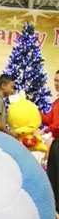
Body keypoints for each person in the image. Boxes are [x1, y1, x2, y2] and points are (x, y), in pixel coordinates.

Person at [43, 70, 59, 209]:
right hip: (55, 144)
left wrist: (45, 131)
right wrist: (32, 112)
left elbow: (57, 124)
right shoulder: (57, 102)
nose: (55, 83)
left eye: (58, 81)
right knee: (52, 175)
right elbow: (49, 119)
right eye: (55, 80)